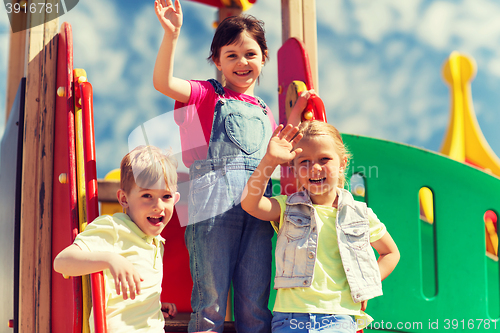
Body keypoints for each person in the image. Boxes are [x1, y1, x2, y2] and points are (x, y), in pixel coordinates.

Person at [153, 1, 313, 332]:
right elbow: (163, 82)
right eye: (232, 55)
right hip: (212, 215)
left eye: (250, 54)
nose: (242, 62)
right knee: (210, 302)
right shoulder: (206, 95)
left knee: (255, 304)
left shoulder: (266, 112)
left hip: (256, 218)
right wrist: (171, 35)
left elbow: (285, 144)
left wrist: (298, 111)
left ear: (263, 57)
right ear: (218, 61)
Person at [241, 121, 400, 333]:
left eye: (324, 159)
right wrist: (269, 161)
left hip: (339, 316)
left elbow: (391, 253)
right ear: (295, 168)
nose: (314, 168)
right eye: (304, 161)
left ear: (342, 163)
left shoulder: (360, 214)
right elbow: (250, 203)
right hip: (291, 316)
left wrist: (364, 285)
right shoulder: (287, 207)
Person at [54, 145, 180, 333]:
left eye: (166, 196)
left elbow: (126, 295)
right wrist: (110, 259)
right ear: (124, 198)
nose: (158, 206)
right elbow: (62, 262)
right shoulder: (114, 228)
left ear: (175, 199)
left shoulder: (155, 241)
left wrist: (152, 304)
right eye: (147, 195)